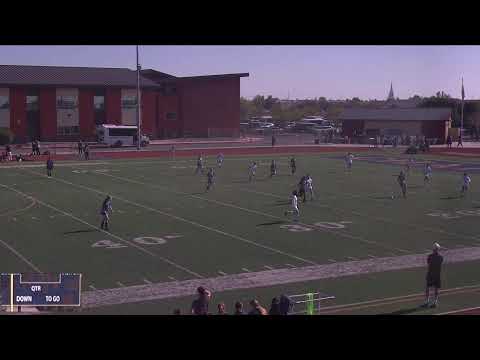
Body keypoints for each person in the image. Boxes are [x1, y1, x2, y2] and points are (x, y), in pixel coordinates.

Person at [423, 243, 444, 308]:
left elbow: (428, 263)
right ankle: (435, 302)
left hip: (430, 274)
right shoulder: (441, 257)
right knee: (436, 288)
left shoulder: (430, 256)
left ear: (433, 249)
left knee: (427, 288)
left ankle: (427, 302)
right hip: (437, 274)